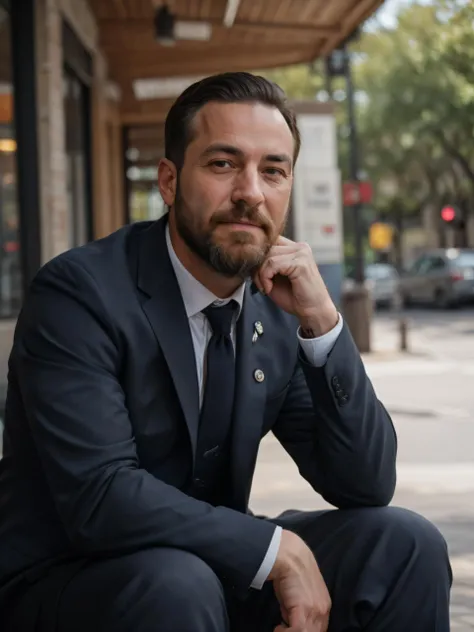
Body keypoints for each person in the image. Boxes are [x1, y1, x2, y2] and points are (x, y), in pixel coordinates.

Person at [0, 72, 451, 632]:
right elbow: (100, 497)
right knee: (177, 584)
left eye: (273, 170)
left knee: (405, 544)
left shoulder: (276, 308)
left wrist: (323, 323)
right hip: (72, 580)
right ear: (169, 182)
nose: (250, 192)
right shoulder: (80, 293)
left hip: (204, 570)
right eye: (223, 164)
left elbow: (364, 482)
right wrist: (272, 548)